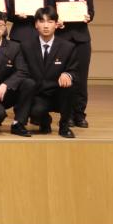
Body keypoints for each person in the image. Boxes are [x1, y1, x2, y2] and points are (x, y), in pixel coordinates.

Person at [45, 0, 94, 128]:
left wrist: (88, 17)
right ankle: (68, 115)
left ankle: (80, 114)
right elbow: (50, 12)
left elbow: (91, 12)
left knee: (81, 78)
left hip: (82, 39)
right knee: (64, 77)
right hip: (62, 39)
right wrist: (56, 21)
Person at [20, 9, 78, 138]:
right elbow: (22, 72)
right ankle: (44, 120)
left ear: (56, 24)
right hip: (39, 93)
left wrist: (67, 74)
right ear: (36, 24)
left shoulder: (68, 47)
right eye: (42, 21)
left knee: (70, 85)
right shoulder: (26, 46)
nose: (46, 26)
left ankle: (64, 126)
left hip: (59, 92)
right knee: (36, 112)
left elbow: (74, 71)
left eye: (50, 22)